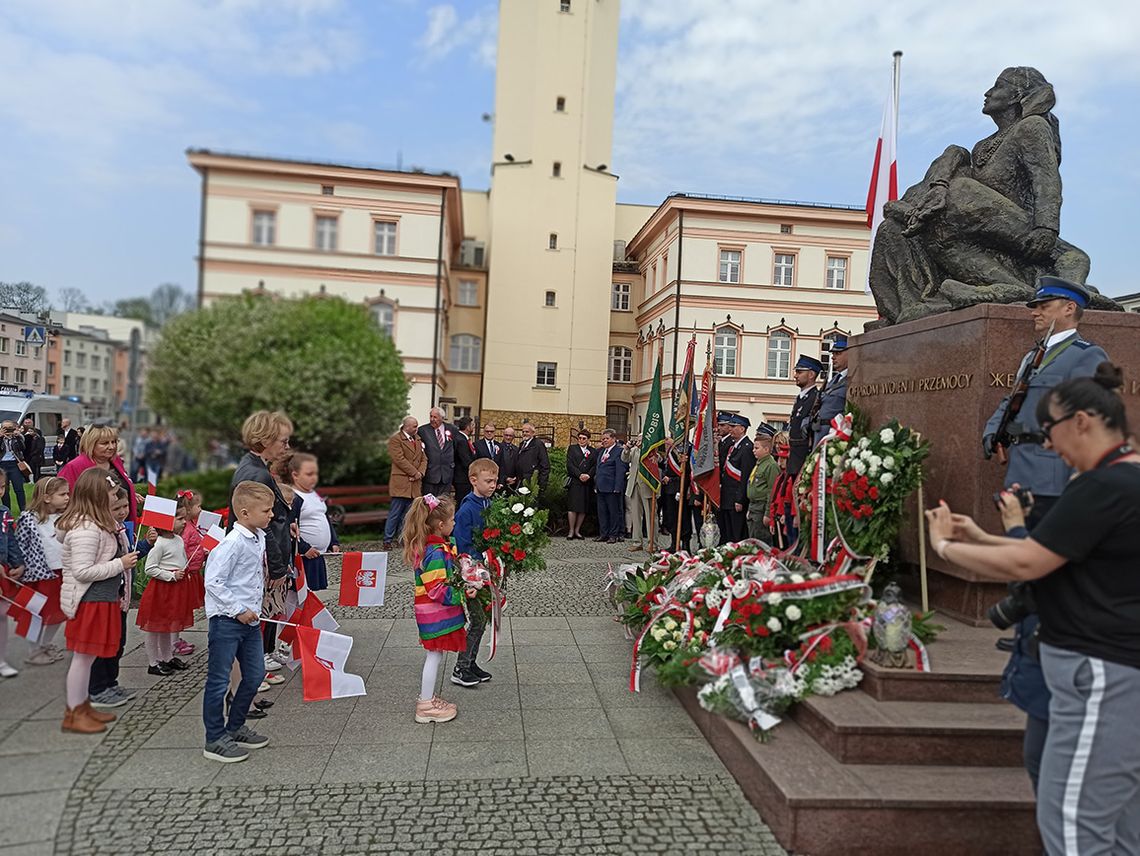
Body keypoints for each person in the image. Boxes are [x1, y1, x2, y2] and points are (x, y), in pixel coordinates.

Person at [926, 363, 1140, 854]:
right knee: (1122, 830)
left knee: (1073, 824)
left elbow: (1030, 562)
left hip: (1099, 673)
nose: (1047, 445)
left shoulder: (1104, 484)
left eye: (1048, 430)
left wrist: (944, 547)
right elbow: (1053, 552)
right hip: (1111, 670)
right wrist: (979, 536)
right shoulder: (1122, 478)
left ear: (1081, 421)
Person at [869, 68, 1103, 325]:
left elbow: (1046, 179)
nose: (988, 93)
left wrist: (1046, 227)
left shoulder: (1031, 126)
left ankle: (1032, 290)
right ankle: (1012, 290)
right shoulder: (982, 146)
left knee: (959, 192)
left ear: (1017, 96)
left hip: (1015, 223)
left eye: (998, 86)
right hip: (976, 225)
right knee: (903, 229)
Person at [983, 278, 1107, 526]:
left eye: (1044, 306)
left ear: (1069, 308)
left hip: (1054, 479)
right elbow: (1013, 398)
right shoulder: (1032, 356)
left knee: (1047, 548)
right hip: (1019, 472)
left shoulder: (1087, 355)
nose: (1034, 312)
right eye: (1035, 307)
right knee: (1019, 544)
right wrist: (992, 431)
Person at [59, 468, 138, 733]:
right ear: (97, 497)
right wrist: (120, 564)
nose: (116, 499)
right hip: (91, 602)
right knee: (83, 659)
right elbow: (82, 571)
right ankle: (74, 712)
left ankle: (82, 707)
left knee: (88, 659)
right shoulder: (87, 529)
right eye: (112, 495)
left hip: (101, 601)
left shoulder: (96, 525)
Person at [202, 480, 274, 763]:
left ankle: (235, 726)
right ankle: (214, 738)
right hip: (227, 621)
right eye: (266, 511)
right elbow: (213, 582)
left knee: (255, 675)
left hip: (251, 621)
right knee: (219, 681)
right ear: (245, 513)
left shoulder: (258, 537)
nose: (271, 515)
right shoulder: (231, 544)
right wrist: (237, 609)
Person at [990, 487, 1051, 794]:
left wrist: (1016, 527)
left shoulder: (1108, 490)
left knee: (1048, 767)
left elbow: (1033, 566)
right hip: (1052, 665)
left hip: (1079, 665)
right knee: (1039, 760)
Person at [229, 411, 294, 678]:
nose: (286, 447)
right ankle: (253, 670)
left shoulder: (255, 467)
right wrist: (278, 566)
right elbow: (262, 525)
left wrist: (287, 524)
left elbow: (272, 518)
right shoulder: (256, 473)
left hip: (260, 553)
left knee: (264, 614)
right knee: (261, 613)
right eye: (283, 441)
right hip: (259, 557)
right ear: (265, 440)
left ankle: (258, 663)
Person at [403, 494, 465, 724]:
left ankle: (428, 699)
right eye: (452, 519)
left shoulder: (435, 547)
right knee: (434, 655)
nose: (454, 523)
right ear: (440, 525)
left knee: (435, 655)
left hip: (433, 615)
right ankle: (425, 705)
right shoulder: (436, 552)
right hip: (435, 615)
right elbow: (437, 589)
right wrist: (463, 593)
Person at [452, 458, 499, 688]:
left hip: (485, 571)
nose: (493, 485)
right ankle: (460, 668)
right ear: (473, 480)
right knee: (478, 620)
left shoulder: (489, 503)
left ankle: (470, 663)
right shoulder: (467, 509)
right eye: (488, 481)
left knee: (481, 621)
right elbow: (462, 546)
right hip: (471, 575)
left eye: (495, 481)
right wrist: (474, 571)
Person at [13, 477, 70, 666]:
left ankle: (45, 643)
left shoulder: (66, 517)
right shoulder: (29, 519)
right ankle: (34, 650)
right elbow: (20, 544)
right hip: (39, 576)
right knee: (35, 614)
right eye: (62, 494)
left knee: (60, 612)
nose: (67, 497)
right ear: (46, 497)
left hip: (62, 573)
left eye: (68, 493)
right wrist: (17, 565)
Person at [136, 503, 192, 677]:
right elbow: (150, 568)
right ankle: (153, 662)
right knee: (155, 628)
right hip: (161, 591)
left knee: (168, 626)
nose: (184, 522)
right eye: (180, 518)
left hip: (175, 590)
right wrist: (171, 575)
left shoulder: (178, 539)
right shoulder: (159, 544)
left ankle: (167, 657)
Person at [58, 423, 138, 523]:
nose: (111, 447)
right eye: (105, 443)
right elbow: (61, 500)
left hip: (122, 524)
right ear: (90, 444)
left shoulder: (116, 460)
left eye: (114, 442)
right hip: (90, 526)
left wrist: (130, 493)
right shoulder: (74, 467)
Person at [287, 452, 340, 591]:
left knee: (314, 593)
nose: (314, 478)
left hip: (318, 555)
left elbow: (324, 517)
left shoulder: (315, 494)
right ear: (295, 475)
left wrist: (333, 541)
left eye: (315, 473)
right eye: (309, 474)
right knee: (300, 593)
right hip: (303, 556)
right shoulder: (293, 497)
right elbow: (288, 527)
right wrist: (304, 548)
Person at [0, 473, 28, 680]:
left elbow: (10, 539)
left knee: (2, 616)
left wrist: (18, 563)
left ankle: (1, 660)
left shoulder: (4, 512)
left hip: (3, 570)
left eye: (2, 487)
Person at [385, 416, 426, 550]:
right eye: (414, 426)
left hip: (414, 484)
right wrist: (414, 472)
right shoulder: (396, 440)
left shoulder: (418, 439)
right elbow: (399, 459)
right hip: (401, 483)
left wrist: (420, 473)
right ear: (406, 427)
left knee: (407, 515)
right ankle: (387, 539)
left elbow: (424, 459)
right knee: (395, 513)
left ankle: (402, 538)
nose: (417, 428)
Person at [176, 489, 206, 657]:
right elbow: (182, 549)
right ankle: (173, 640)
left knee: (183, 609)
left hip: (192, 573)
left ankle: (175, 638)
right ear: (188, 509)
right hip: (185, 573)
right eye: (198, 506)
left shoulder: (191, 526)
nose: (201, 509)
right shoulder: (186, 530)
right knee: (179, 609)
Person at [717, 415, 755, 544]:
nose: (730, 429)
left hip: (736, 499)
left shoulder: (747, 448)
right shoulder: (734, 446)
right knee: (727, 533)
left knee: (737, 534)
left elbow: (745, 476)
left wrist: (740, 499)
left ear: (742, 429)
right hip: (727, 497)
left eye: (734, 426)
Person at [787, 357, 822, 477]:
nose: (795, 376)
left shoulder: (815, 398)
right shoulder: (800, 398)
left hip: (804, 455)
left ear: (811, 374)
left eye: (799, 372)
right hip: (795, 457)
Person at [621, 436, 657, 552]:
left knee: (650, 515)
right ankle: (637, 541)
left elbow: (658, 460)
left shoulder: (652, 450)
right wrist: (626, 449)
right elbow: (624, 459)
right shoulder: (634, 450)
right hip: (634, 484)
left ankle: (652, 543)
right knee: (635, 515)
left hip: (647, 485)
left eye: (641, 440)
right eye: (638, 439)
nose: (638, 442)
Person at [811, 340, 849, 443]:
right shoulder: (834, 379)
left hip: (834, 434)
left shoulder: (852, 379)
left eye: (838, 353)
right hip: (820, 431)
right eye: (833, 354)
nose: (833, 357)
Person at [594, 428, 627, 543]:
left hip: (612, 487)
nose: (604, 441)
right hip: (601, 487)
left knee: (614, 512)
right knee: (602, 512)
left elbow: (620, 470)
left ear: (613, 439)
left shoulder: (619, 451)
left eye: (606, 438)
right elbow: (598, 469)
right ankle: (604, 533)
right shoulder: (602, 451)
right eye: (602, 439)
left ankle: (614, 534)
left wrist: (617, 487)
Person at [747, 427, 778, 541]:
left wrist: (768, 514)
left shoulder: (771, 465)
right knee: (753, 538)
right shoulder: (759, 464)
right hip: (753, 507)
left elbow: (772, 491)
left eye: (756, 448)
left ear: (766, 449)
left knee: (761, 540)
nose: (753, 450)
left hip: (762, 507)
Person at [768, 434, 798, 550]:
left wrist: (785, 515)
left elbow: (789, 499)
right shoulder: (781, 477)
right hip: (777, 518)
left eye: (783, 459)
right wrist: (772, 520)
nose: (780, 461)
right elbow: (773, 499)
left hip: (785, 517)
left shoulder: (791, 478)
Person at [565, 429, 596, 540]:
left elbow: (594, 465)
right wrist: (579, 475)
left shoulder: (593, 451)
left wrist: (588, 475)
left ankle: (577, 530)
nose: (581, 440)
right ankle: (571, 530)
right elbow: (570, 464)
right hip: (575, 481)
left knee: (583, 507)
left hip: (586, 483)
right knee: (573, 506)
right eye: (580, 438)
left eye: (584, 438)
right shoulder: (572, 449)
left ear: (588, 440)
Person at [418, 407, 455, 497]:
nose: (432, 419)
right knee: (429, 502)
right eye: (431, 416)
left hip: (447, 474)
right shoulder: (423, 430)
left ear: (442, 418)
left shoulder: (451, 429)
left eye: (435, 417)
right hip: (430, 474)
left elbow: (456, 447)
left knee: (444, 502)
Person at [0, 421, 30, 513]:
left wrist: (17, 436)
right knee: (5, 490)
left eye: (10, 428)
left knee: (19, 488)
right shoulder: (1, 437)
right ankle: (7, 511)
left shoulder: (17, 437)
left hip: (14, 464)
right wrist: (1, 437)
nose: (8, 430)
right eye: (5, 428)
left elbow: (22, 448)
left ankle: (23, 510)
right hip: (2, 464)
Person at [515, 422, 550, 495]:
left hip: (532, 483)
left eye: (527, 432)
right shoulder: (522, 444)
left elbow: (545, 465)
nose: (524, 433)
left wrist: (541, 485)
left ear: (533, 433)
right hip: (521, 482)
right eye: (523, 432)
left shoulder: (538, 445)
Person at [451, 416, 477, 502]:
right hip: (462, 478)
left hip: (462, 478)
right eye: (472, 425)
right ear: (467, 427)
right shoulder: (461, 440)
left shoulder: (462, 438)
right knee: (461, 500)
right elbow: (466, 460)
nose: (473, 428)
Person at [21, 418, 45, 482]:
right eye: (26, 423)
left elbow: (39, 447)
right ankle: (28, 480)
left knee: (36, 471)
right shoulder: (23, 433)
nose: (27, 424)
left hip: (35, 457)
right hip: (26, 455)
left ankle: (35, 481)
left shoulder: (38, 435)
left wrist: (32, 454)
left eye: (29, 423)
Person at [498, 427, 520, 492]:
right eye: (506, 435)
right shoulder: (498, 448)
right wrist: (505, 478)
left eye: (510, 436)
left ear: (514, 437)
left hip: (514, 484)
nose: (508, 437)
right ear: (503, 435)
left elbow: (518, 465)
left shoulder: (516, 449)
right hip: (501, 483)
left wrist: (516, 478)